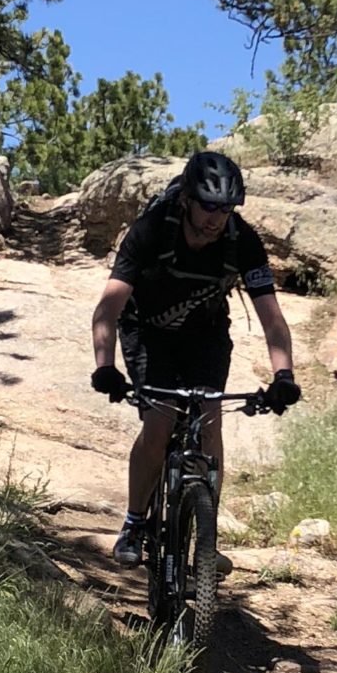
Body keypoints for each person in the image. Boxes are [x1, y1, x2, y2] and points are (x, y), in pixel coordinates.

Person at [89, 147, 301, 563]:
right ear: (186, 198)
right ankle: (133, 524)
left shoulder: (243, 240)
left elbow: (272, 320)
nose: (216, 218)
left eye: (225, 209)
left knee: (209, 419)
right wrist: (105, 367)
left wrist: (284, 377)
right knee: (161, 418)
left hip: (205, 335)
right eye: (208, 206)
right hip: (147, 331)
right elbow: (108, 308)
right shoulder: (151, 229)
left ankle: (206, 541)